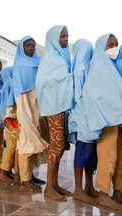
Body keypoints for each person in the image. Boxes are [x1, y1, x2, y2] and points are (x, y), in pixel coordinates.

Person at [81, 34, 122, 210]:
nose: (113, 47)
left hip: (118, 119)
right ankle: (104, 194)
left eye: (115, 44)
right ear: (101, 47)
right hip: (106, 121)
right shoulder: (97, 68)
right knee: (108, 156)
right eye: (110, 44)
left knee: (120, 156)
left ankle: (118, 191)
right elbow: (91, 95)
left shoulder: (113, 67)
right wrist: (104, 115)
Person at [36, 25, 74, 201]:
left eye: (66, 36)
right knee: (56, 146)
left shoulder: (62, 56)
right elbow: (44, 82)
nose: (65, 39)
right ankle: (48, 188)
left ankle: (55, 184)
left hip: (61, 107)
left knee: (59, 147)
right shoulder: (50, 59)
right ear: (53, 39)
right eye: (62, 37)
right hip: (53, 107)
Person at [12, 36, 49, 192]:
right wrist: (24, 111)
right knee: (26, 142)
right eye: (28, 45)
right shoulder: (19, 64)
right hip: (25, 105)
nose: (31, 48)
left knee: (35, 141)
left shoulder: (37, 62)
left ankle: (31, 175)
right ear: (22, 48)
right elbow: (20, 91)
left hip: (36, 107)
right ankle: (25, 179)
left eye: (33, 45)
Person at [67, 39, 99, 204]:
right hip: (82, 116)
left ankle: (89, 186)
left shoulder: (80, 67)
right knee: (83, 152)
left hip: (87, 116)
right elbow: (82, 95)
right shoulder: (81, 69)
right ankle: (78, 189)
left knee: (90, 153)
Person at [0, 66, 17, 182]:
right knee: (12, 146)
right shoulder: (10, 84)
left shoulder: (6, 85)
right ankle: (2, 171)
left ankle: (8, 170)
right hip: (11, 117)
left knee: (12, 145)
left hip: (8, 117)